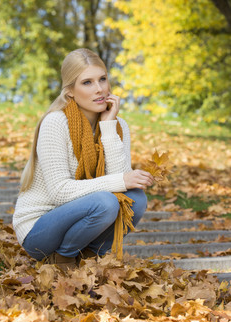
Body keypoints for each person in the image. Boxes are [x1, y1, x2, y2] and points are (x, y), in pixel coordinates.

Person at [13, 48, 153, 271]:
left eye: (102, 79)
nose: (99, 89)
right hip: (40, 228)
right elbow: (60, 192)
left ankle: (88, 260)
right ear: (70, 91)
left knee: (136, 199)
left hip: (84, 216)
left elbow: (122, 189)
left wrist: (108, 127)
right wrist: (121, 181)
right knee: (105, 203)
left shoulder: (118, 126)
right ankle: (62, 259)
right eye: (87, 82)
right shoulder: (56, 122)